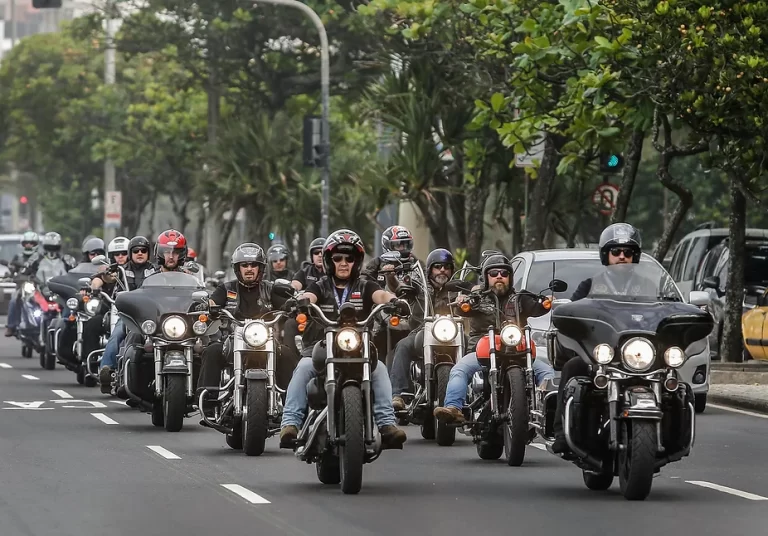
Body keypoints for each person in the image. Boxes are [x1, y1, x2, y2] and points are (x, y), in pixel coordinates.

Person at [279, 229, 410, 449]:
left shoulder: (365, 285)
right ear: (330, 260)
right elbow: (309, 296)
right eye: (337, 258)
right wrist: (300, 301)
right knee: (302, 368)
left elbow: (381, 295)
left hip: (359, 348)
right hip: (321, 346)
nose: (343, 263)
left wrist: (395, 300)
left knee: (379, 370)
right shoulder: (320, 285)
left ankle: (387, 424)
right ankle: (290, 423)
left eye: (349, 258)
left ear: (356, 262)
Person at [551, 222, 644, 453]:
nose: (622, 256)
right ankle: (561, 431)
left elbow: (664, 312)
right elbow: (572, 313)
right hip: (600, 354)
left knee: (677, 385)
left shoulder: (647, 286)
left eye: (628, 252)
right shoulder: (590, 285)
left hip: (639, 355)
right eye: (616, 252)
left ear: (635, 256)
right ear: (606, 255)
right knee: (572, 367)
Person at [433, 253, 554, 425]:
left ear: (510, 278)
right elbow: (462, 309)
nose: (499, 276)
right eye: (494, 273)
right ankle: (453, 408)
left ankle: (547, 411)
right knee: (459, 369)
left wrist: (545, 302)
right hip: (482, 352)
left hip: (517, 351)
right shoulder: (477, 298)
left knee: (546, 372)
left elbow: (538, 307)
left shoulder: (520, 298)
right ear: (485, 277)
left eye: (504, 274)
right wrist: (461, 301)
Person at [197, 243, 299, 416]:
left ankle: (291, 406)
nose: (249, 269)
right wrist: (207, 305)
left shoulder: (270, 288)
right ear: (238, 269)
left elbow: (286, 305)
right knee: (212, 350)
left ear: (261, 268)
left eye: (254, 265)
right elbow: (213, 302)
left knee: (288, 354)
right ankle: (208, 402)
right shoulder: (226, 289)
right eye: (245, 265)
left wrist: (292, 305)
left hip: (265, 339)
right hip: (233, 339)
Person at [390, 248, 466, 410]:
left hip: (453, 334)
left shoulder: (458, 287)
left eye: (446, 267)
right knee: (403, 345)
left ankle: (477, 392)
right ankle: (398, 394)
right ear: (430, 269)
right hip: (421, 331)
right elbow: (397, 287)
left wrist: (467, 296)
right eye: (438, 266)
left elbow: (475, 290)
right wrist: (391, 276)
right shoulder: (419, 286)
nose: (442, 270)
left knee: (472, 347)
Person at [96, 235, 158, 392]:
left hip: (152, 315)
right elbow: (107, 278)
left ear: (148, 253)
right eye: (136, 250)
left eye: (143, 250)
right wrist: (106, 275)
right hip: (129, 314)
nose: (140, 253)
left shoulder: (155, 270)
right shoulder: (121, 269)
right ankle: (106, 370)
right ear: (130, 253)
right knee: (117, 334)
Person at [5, 231, 39, 337]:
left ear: (36, 244)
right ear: (23, 244)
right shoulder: (17, 257)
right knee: (14, 301)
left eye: (31, 243)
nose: (28, 245)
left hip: (38, 285)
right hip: (22, 286)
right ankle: (11, 326)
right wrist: (10, 272)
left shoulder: (40, 257)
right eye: (26, 243)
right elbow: (12, 270)